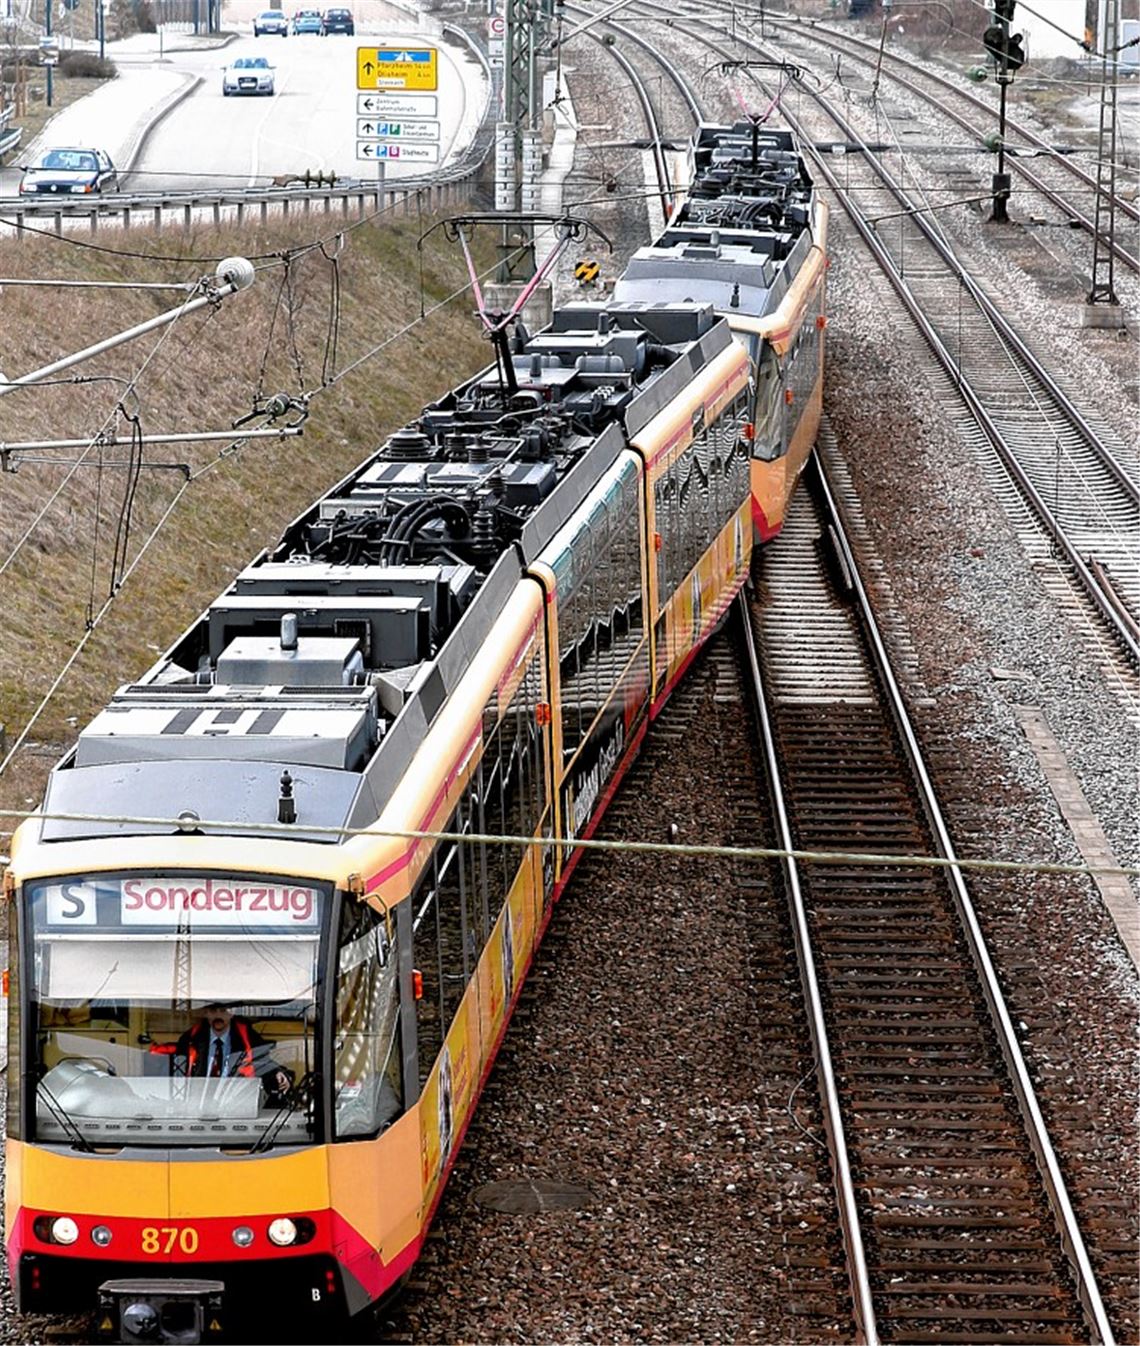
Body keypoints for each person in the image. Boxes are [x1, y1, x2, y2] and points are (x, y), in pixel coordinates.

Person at [174, 1004, 293, 1099]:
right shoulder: (190, 1039)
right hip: (196, 1108)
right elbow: (176, 1071)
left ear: (232, 1013)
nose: (218, 1016)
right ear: (206, 1013)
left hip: (235, 1107)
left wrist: (278, 1073)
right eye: (213, 1011)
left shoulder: (247, 1038)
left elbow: (262, 1060)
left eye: (223, 1011)